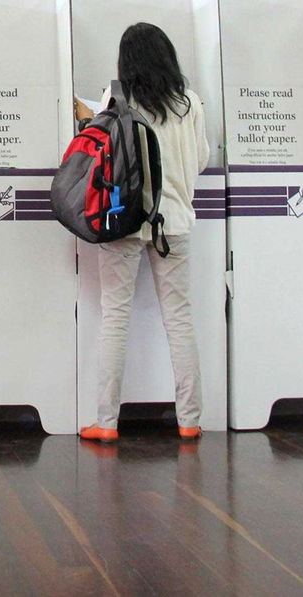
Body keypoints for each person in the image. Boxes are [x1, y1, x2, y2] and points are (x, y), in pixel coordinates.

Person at [77, 22, 210, 444]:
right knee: (180, 320)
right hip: (175, 223)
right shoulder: (189, 102)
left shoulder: (117, 98)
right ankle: (189, 420)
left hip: (124, 221)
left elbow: (102, 155)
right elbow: (202, 159)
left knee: (115, 316)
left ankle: (107, 423)